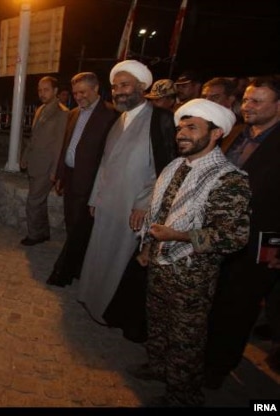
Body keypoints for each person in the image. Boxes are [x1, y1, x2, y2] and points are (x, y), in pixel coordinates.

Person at [127, 99, 251, 406]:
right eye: (181, 126)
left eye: (191, 128)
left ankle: (183, 397)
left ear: (216, 133)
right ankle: (158, 368)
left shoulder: (228, 179)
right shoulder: (175, 166)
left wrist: (177, 236)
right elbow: (162, 212)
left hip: (192, 276)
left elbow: (233, 237)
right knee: (158, 324)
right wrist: (148, 247)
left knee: (186, 341)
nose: (181, 133)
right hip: (159, 263)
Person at [77, 60, 176, 325]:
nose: (118, 91)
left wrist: (145, 204)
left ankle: (110, 311)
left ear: (142, 87)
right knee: (99, 253)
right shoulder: (118, 120)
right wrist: (94, 198)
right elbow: (104, 163)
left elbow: (167, 168)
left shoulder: (160, 119)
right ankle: (92, 299)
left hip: (133, 207)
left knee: (120, 260)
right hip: (107, 202)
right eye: (115, 86)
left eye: (125, 85)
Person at [204, 75, 280, 388]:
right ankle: (197, 356)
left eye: (257, 101)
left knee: (237, 309)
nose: (247, 106)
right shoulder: (236, 132)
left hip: (257, 244)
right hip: (218, 236)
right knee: (211, 301)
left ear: (278, 106)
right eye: (246, 100)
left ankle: (215, 370)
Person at [46, 72, 118, 286]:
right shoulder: (74, 113)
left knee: (81, 227)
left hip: (92, 184)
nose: (78, 97)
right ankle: (77, 265)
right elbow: (66, 146)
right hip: (71, 178)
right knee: (71, 224)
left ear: (96, 89)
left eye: (83, 92)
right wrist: (60, 174)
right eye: (76, 93)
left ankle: (65, 271)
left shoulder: (112, 115)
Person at [19, 76, 68, 246]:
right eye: (40, 90)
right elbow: (34, 137)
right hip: (35, 163)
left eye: (46, 89)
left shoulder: (62, 113)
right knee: (39, 202)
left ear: (55, 91)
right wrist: (25, 157)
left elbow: (60, 145)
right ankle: (43, 232)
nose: (42, 93)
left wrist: (55, 171)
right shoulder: (41, 109)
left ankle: (35, 235)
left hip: (47, 167)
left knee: (33, 202)